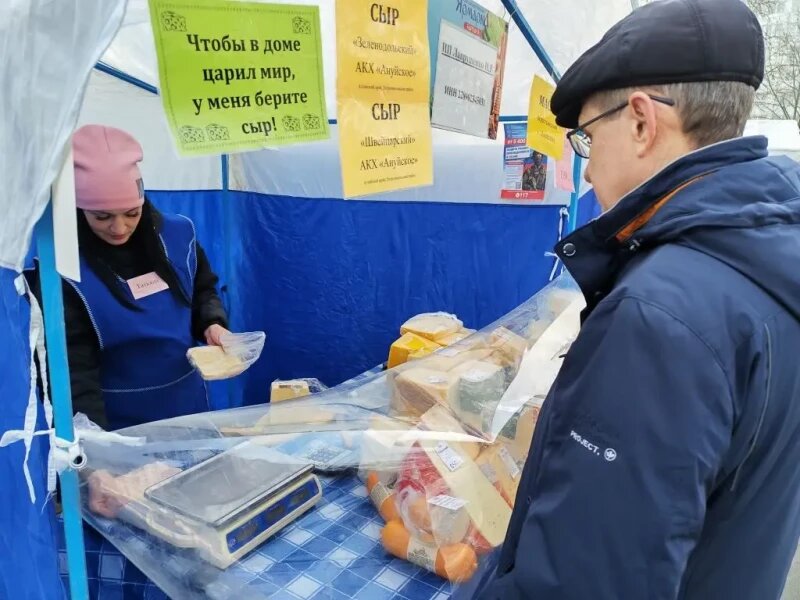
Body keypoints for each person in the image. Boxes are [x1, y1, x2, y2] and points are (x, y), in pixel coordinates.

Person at [474, 0, 800, 598]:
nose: (586, 170)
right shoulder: (769, 255)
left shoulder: (660, 314)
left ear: (643, 122)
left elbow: (579, 583)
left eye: (587, 139)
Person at [29, 124, 230, 430]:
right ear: (78, 208)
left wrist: (211, 323)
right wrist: (97, 453)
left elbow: (202, 290)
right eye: (102, 216)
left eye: (131, 213)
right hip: (117, 424)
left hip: (189, 410)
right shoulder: (62, 268)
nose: (119, 228)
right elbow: (73, 371)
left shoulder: (177, 237)